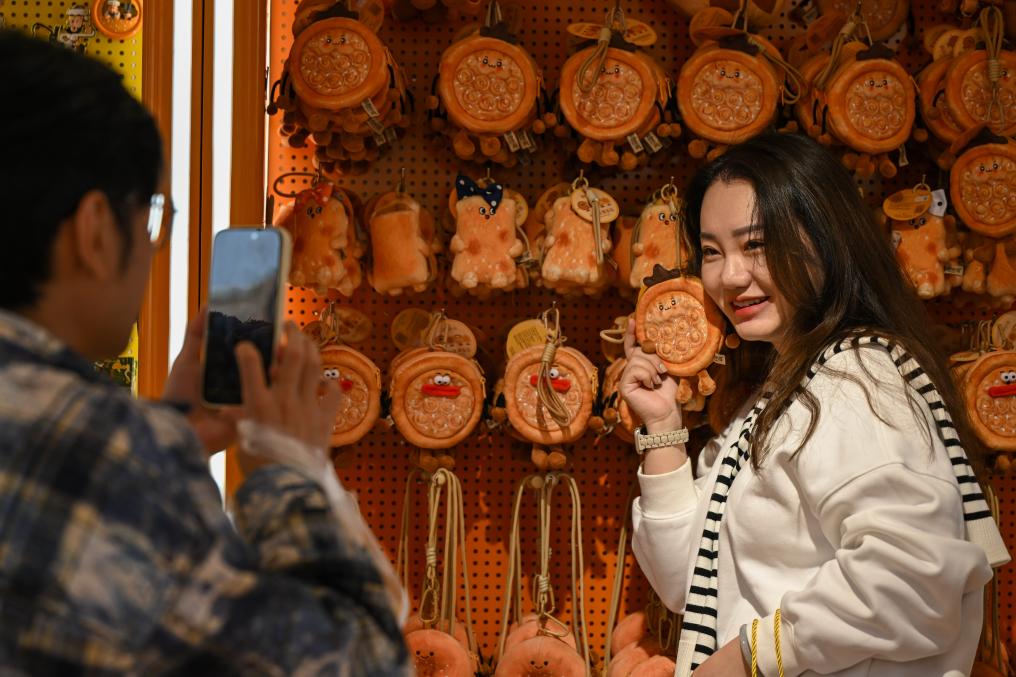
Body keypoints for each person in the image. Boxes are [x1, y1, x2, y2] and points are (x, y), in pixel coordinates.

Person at [0, 29, 409, 674]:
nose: (154, 245)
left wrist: (172, 446)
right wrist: (287, 468)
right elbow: (362, 662)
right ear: (96, 230)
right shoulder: (100, 448)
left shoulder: (97, 449)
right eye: (153, 216)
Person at [621, 132, 1010, 677]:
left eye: (756, 244)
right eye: (711, 252)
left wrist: (749, 657)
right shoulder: (782, 389)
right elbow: (689, 585)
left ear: (826, 238)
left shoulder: (854, 378)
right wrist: (663, 424)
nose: (730, 276)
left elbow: (911, 578)